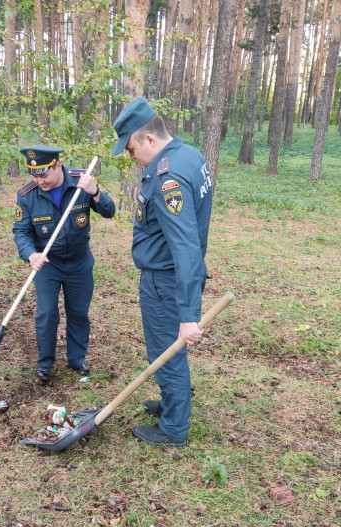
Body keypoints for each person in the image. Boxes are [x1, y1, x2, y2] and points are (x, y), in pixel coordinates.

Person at [112, 97, 214, 448]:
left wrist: (188, 314)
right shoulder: (191, 155)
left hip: (165, 280)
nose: (131, 158)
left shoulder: (167, 175)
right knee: (167, 351)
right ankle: (173, 404)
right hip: (173, 276)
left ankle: (173, 429)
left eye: (130, 150)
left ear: (149, 140)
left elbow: (185, 246)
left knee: (164, 351)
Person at [12, 145, 116, 382]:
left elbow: (109, 211)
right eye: (34, 176)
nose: (39, 181)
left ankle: (76, 359)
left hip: (79, 262)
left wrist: (95, 192)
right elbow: (21, 231)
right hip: (47, 264)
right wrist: (31, 254)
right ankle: (45, 363)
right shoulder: (27, 195)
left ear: (58, 166)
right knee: (47, 313)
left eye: (44, 175)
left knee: (78, 312)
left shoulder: (81, 181)